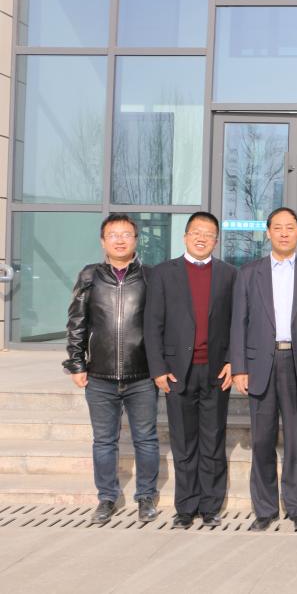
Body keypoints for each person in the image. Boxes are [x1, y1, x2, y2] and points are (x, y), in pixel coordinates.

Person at [230, 207, 297, 532]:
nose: (284, 233)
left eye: (290, 227)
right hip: (260, 364)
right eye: (278, 228)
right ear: (268, 232)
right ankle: (265, 509)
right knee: (262, 440)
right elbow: (238, 323)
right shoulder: (248, 273)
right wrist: (239, 367)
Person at [63, 213, 159, 525]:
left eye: (126, 234)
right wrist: (76, 362)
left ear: (136, 240)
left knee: (146, 439)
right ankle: (107, 497)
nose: (120, 240)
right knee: (104, 441)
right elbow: (77, 321)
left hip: (142, 375)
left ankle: (146, 496)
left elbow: (161, 325)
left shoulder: (150, 276)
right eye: (113, 234)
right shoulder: (90, 275)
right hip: (100, 376)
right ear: (103, 241)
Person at [144, 211, 237, 529]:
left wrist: (233, 362)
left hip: (215, 371)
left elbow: (236, 323)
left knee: (213, 440)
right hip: (176, 372)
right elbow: (152, 324)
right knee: (183, 443)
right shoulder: (163, 273)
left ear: (216, 240)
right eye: (196, 232)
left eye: (208, 234)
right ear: (185, 236)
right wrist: (158, 368)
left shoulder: (228, 274)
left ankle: (210, 506)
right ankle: (185, 507)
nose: (202, 238)